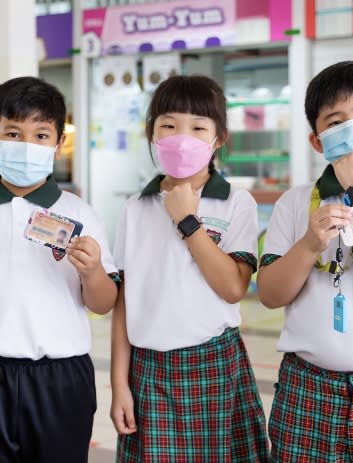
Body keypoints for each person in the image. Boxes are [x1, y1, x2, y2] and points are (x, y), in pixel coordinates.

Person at [110, 75, 268, 462]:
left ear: (219, 138)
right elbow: (123, 302)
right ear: (152, 134)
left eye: (198, 127)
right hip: (149, 370)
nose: (182, 137)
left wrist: (188, 222)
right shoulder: (135, 207)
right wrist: (118, 385)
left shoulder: (235, 202)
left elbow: (234, 287)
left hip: (214, 365)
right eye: (168, 125)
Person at [257, 61, 353, 462]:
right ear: (317, 142)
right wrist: (308, 245)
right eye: (335, 121)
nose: (351, 128)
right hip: (307, 383)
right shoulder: (296, 202)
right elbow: (269, 294)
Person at [0, 77, 120, 463]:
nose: (25, 145)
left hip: (61, 377)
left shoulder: (79, 212)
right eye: (12, 133)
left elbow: (103, 303)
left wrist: (93, 271)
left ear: (58, 143)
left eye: (40, 134)